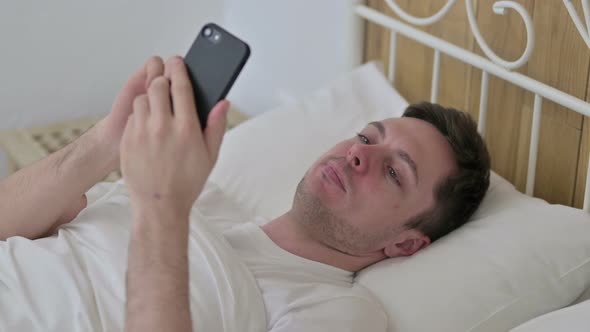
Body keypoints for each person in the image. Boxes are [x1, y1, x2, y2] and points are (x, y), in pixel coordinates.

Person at [0, 56, 490, 331]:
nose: (361, 156)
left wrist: (161, 208)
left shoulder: (334, 313)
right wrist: (108, 139)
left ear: (406, 243)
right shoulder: (197, 204)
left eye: (394, 173)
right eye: (366, 137)